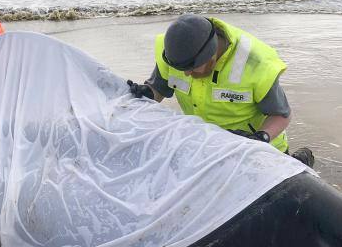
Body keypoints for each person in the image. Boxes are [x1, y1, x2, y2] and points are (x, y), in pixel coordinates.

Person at [127, 14, 314, 167]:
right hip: (208, 147)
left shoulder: (256, 65)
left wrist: (260, 138)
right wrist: (147, 93)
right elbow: (158, 88)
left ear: (212, 54)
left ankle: (301, 159)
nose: (186, 73)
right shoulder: (177, 53)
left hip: (260, 148)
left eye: (193, 68)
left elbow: (281, 115)